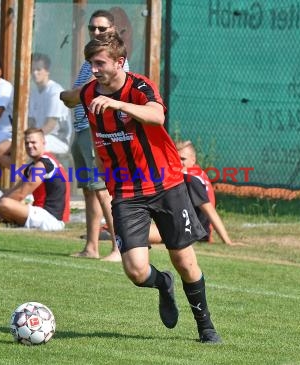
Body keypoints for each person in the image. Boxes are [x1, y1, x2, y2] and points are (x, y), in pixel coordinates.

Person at [79, 32, 222, 343]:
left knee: (184, 259)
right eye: (90, 63)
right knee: (135, 270)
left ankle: (206, 327)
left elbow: (156, 116)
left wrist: (118, 105)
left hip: (166, 184)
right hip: (127, 193)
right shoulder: (89, 93)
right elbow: (72, 97)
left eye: (99, 63)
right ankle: (162, 284)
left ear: (119, 62)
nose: (94, 69)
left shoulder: (140, 86)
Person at [60, 9, 128, 262]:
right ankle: (91, 246)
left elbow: (80, 94)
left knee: (102, 190)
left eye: (102, 28)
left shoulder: (112, 60)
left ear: (113, 30)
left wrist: (66, 95)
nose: (96, 32)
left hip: (97, 130)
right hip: (82, 128)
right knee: (90, 190)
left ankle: (119, 248)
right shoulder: (91, 60)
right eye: (92, 28)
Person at [148, 140, 242, 246]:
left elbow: (209, 210)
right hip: (190, 229)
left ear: (193, 159)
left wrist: (227, 241)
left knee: (135, 233)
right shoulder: (197, 173)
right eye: (176, 157)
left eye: (183, 159)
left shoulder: (190, 179)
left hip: (190, 232)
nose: (179, 162)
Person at [0, 53, 72, 168]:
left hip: (57, 139)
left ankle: (25, 181)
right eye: (33, 69)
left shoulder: (55, 92)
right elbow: (30, 122)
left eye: (39, 69)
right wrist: (22, 135)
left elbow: (50, 125)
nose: (35, 73)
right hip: (38, 136)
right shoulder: (34, 92)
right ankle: (22, 178)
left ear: (47, 71)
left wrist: (28, 139)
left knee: (26, 149)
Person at [0, 128, 70, 231]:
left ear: (43, 143)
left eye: (33, 142)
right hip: (41, 214)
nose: (29, 146)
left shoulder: (43, 164)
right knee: (3, 202)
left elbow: (21, 194)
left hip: (51, 219)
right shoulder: (34, 165)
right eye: (27, 143)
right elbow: (16, 189)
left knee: (4, 203)